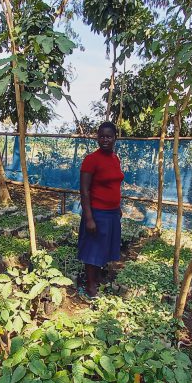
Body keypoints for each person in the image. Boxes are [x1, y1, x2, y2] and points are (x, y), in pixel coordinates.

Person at [78, 121, 124, 297]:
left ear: (115, 138)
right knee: (93, 250)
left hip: (112, 213)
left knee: (104, 248)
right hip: (97, 213)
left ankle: (97, 278)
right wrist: (89, 218)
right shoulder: (91, 160)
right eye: (102, 136)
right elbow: (84, 191)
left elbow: (115, 185)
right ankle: (90, 286)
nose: (105, 139)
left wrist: (118, 207)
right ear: (97, 138)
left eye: (109, 136)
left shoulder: (115, 159)